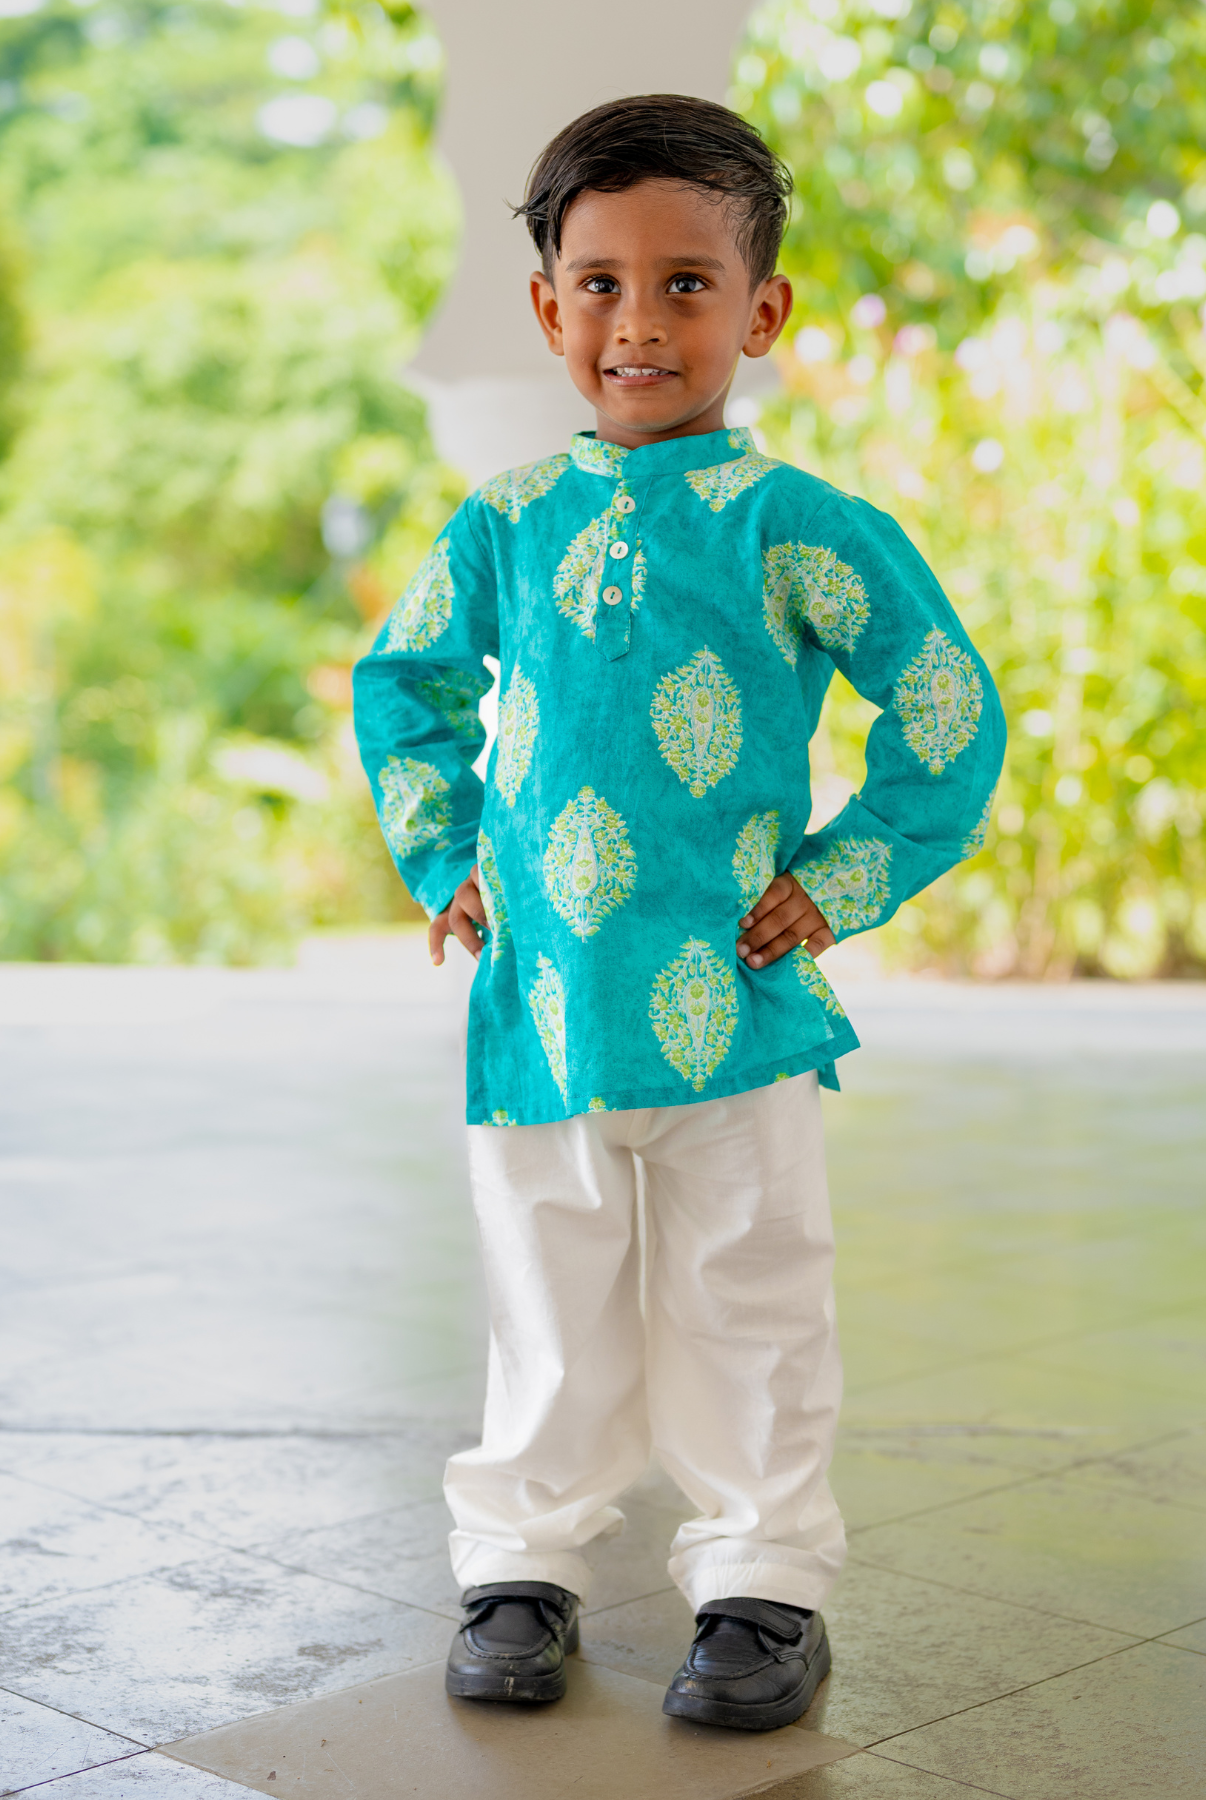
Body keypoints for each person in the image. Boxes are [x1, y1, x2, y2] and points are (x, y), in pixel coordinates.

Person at [353, 93, 1004, 1733]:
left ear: (761, 311)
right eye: (599, 285)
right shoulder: (505, 524)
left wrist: (843, 878)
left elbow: (944, 710)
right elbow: (404, 682)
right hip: (545, 1000)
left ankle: (762, 1583)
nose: (637, 323)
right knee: (546, 1297)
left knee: (748, 1296)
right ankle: (521, 1564)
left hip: (734, 995)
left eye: (685, 285)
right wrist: (444, 858)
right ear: (545, 307)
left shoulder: (802, 530)